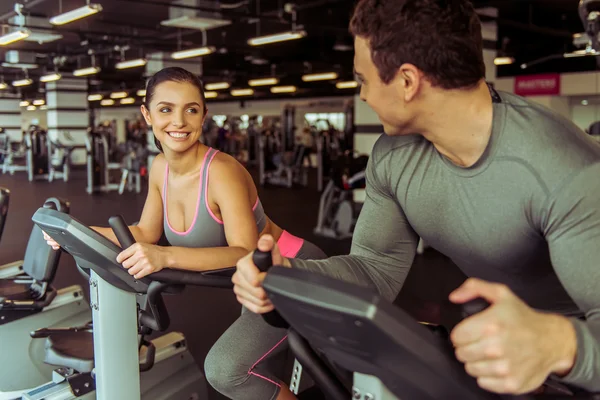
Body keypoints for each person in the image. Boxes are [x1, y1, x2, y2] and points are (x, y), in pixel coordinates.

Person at [232, 0, 600, 396]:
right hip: (497, 344)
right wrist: (288, 276)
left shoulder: (564, 170)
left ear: (407, 81)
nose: (364, 96)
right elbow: (375, 267)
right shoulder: (393, 156)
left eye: (364, 80)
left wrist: (559, 344)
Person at [43, 66, 327, 400]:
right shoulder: (160, 168)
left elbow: (244, 252)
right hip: (257, 281)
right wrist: (79, 233)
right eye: (166, 110)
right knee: (262, 373)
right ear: (146, 115)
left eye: (191, 110)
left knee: (230, 370)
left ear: (203, 116)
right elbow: (145, 232)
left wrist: (164, 255)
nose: (179, 122)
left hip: (295, 271)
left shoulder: (222, 172)